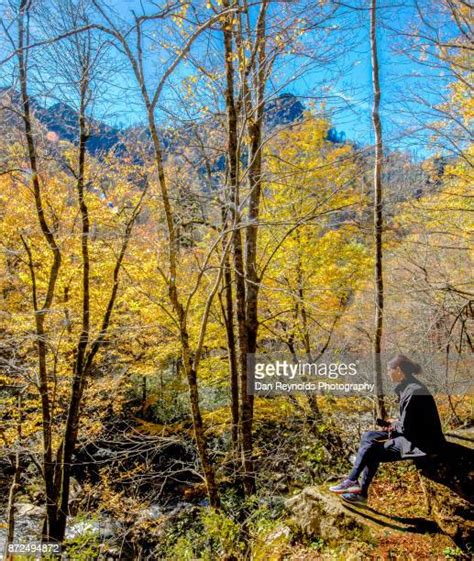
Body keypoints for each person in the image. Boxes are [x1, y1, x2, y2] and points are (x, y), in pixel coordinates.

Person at [329, 354, 445, 505]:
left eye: (389, 369)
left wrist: (394, 424)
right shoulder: (408, 387)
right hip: (414, 434)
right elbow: (410, 421)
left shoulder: (413, 391)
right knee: (368, 436)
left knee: (372, 450)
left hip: (422, 442)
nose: (388, 373)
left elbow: (406, 427)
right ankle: (354, 483)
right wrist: (393, 423)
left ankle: (357, 488)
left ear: (398, 369)